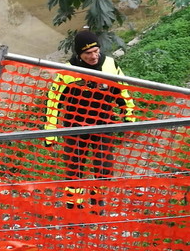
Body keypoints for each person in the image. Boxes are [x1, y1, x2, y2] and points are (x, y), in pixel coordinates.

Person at [45, 30, 135, 209]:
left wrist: (129, 116)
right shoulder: (68, 70)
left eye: (96, 51)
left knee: (104, 168)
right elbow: (54, 101)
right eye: (88, 53)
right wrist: (51, 132)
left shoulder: (110, 64)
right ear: (79, 54)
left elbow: (122, 91)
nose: (94, 56)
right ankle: (74, 205)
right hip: (75, 127)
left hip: (104, 124)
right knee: (74, 168)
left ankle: (97, 201)